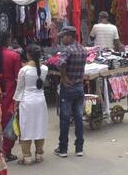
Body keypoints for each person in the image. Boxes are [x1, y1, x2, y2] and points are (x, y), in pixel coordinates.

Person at [13, 44, 49, 165]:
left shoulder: (24, 70)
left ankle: (27, 157)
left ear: (28, 55)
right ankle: (39, 154)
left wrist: (15, 104)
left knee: (26, 128)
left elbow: (19, 89)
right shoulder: (45, 69)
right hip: (40, 101)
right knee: (40, 126)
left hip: (27, 102)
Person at [55, 26, 87, 158]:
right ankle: (79, 148)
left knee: (65, 118)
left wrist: (63, 77)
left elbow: (61, 63)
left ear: (69, 36)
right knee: (79, 118)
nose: (62, 39)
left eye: (63, 36)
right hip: (79, 87)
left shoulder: (67, 50)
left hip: (68, 88)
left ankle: (63, 149)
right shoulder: (83, 49)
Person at [0, 32, 22, 161]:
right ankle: (6, 151)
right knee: (10, 122)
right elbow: (19, 76)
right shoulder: (14, 56)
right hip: (10, 92)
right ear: (7, 40)